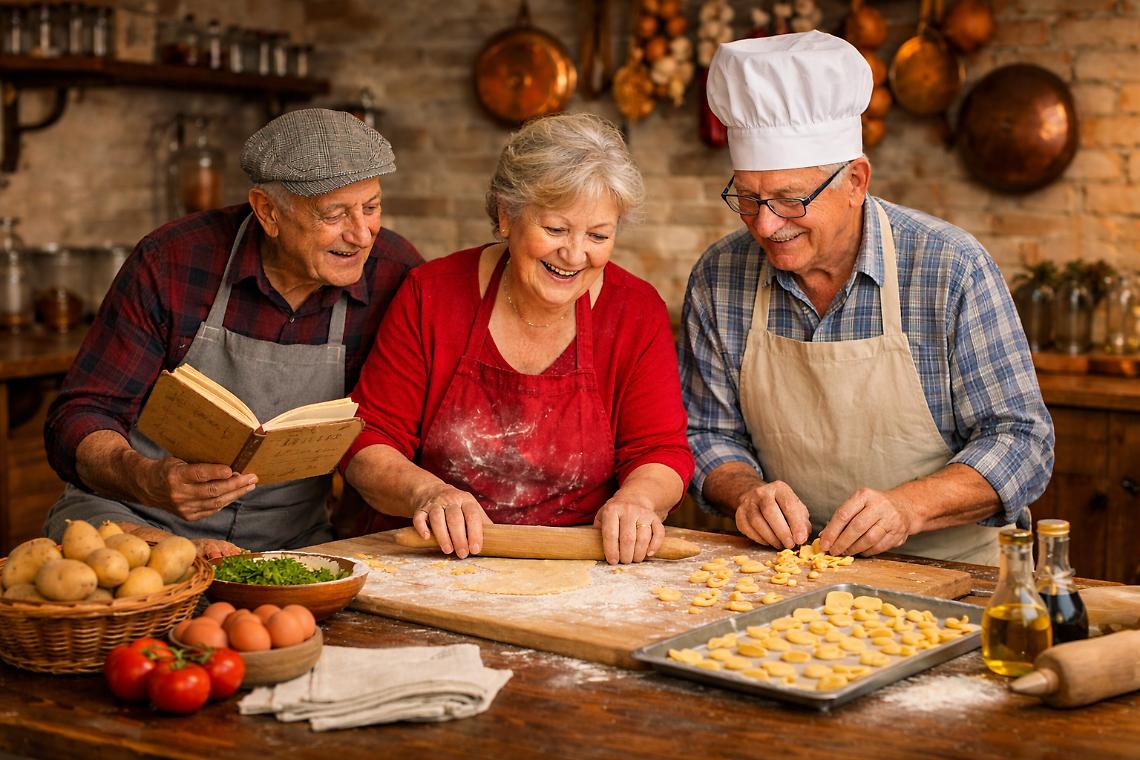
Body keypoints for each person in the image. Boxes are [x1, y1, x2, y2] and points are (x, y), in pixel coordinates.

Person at [679, 31, 1054, 565]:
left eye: (789, 200)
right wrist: (744, 493)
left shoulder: (951, 268)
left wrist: (910, 508)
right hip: (794, 571)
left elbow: (1023, 442)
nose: (764, 225)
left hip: (957, 571)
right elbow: (706, 431)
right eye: (746, 197)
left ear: (855, 181)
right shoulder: (720, 277)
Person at [43, 108, 423, 559]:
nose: (362, 234)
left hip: (291, 547)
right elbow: (81, 414)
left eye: (372, 207)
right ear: (267, 211)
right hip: (140, 524)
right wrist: (146, 477)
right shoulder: (175, 261)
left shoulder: (395, 273)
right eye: (334, 213)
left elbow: (390, 430)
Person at [341, 112, 693, 565]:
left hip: (586, 565)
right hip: (431, 560)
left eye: (599, 235)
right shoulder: (432, 294)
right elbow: (368, 439)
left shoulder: (635, 310)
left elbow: (659, 450)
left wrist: (640, 500)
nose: (574, 253)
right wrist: (426, 493)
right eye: (556, 229)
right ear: (507, 216)